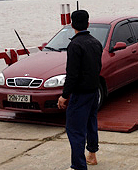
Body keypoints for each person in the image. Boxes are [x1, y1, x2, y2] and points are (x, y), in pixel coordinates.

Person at [57, 10, 103, 170]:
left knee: (75, 129)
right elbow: (98, 67)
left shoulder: (75, 45)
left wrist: (64, 95)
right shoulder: (96, 42)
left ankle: (78, 166)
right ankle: (92, 154)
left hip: (80, 94)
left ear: (71, 25)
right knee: (91, 122)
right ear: (88, 24)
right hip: (93, 91)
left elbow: (72, 74)